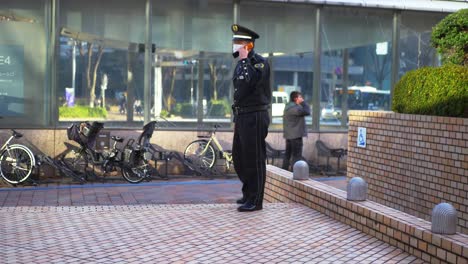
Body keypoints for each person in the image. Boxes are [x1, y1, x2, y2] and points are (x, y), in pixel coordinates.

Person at [231, 24, 271, 212]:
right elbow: (238, 92)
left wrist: (246, 61)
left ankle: (256, 201)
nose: (235, 45)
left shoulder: (259, 63)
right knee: (240, 158)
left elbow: (250, 83)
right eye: (234, 41)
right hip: (242, 116)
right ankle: (248, 193)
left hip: (255, 115)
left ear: (249, 45)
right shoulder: (241, 64)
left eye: (239, 42)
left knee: (255, 158)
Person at [282, 91, 311, 171]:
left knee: (287, 155)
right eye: (300, 97)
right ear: (295, 98)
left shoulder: (288, 107)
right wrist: (303, 102)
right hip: (295, 136)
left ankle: (283, 172)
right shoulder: (295, 108)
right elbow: (307, 111)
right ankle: (294, 173)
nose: (302, 99)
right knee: (297, 156)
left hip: (289, 136)